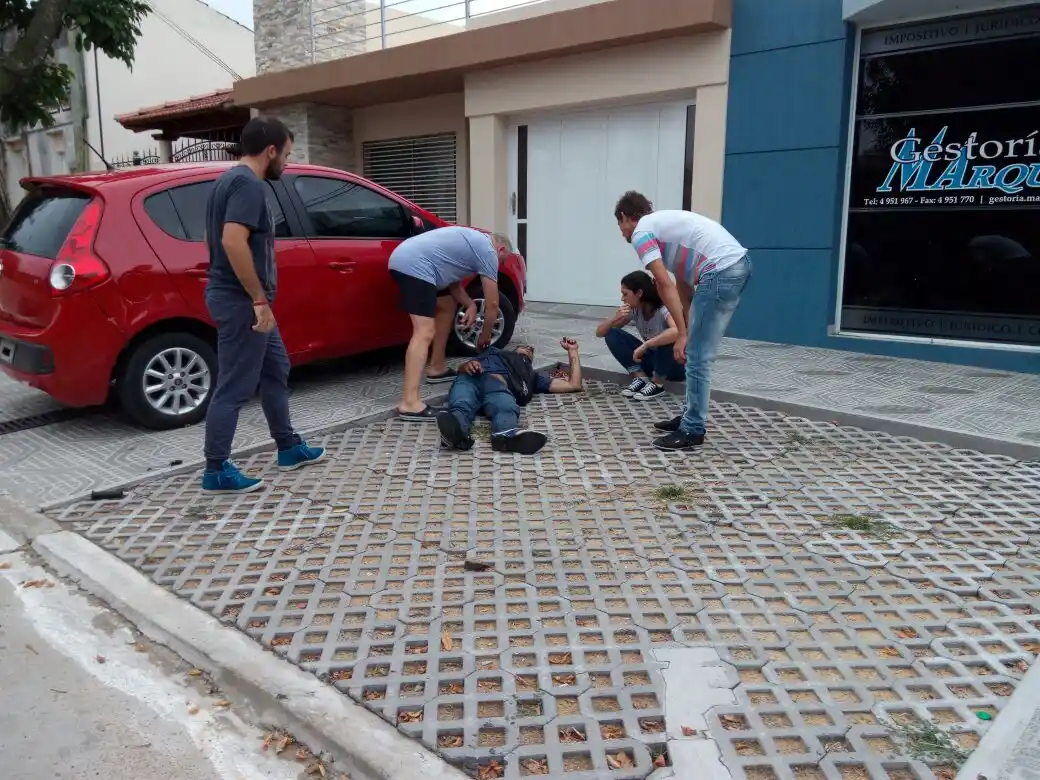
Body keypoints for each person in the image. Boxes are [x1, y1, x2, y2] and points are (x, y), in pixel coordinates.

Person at [201, 116, 325, 493]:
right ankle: (216, 469)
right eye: (286, 155)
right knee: (235, 386)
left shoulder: (226, 181)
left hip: (240, 299)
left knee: (276, 369)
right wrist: (257, 299)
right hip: (243, 303)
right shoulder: (248, 185)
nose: (287, 163)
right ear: (270, 150)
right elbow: (232, 241)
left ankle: (287, 446)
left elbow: (215, 238)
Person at [614, 191, 751, 451]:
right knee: (696, 351)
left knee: (698, 355)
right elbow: (683, 289)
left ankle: (692, 430)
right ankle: (690, 416)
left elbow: (663, 284)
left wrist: (682, 335)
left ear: (625, 217)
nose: (622, 233)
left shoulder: (643, 231)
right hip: (733, 265)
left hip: (721, 269)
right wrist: (684, 330)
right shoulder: (664, 230)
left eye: (620, 225)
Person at [388, 226, 504, 421]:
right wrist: (484, 338)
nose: (497, 266)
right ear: (500, 250)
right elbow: (492, 304)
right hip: (415, 266)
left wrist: (470, 305)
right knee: (424, 331)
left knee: (447, 304)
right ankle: (410, 403)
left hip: (414, 261)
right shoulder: (488, 250)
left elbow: (453, 284)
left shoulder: (471, 244)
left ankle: (437, 368)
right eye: (502, 262)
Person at [436, 339, 583, 455]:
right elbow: (460, 368)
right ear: (514, 349)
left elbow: (573, 385)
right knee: (461, 403)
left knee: (506, 407)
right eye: (524, 346)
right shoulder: (493, 352)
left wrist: (573, 351)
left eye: (531, 350)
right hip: (470, 378)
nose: (528, 349)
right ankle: (456, 435)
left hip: (497, 388)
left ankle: (506, 436)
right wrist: (466, 365)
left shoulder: (533, 377)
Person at [595, 270, 683, 400]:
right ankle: (640, 377)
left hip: (676, 366)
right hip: (654, 361)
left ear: (639, 293)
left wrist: (646, 345)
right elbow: (600, 333)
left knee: (667, 338)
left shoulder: (664, 308)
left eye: (625, 294)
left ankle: (657, 385)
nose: (622, 299)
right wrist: (614, 319)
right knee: (612, 333)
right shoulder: (635, 310)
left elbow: (677, 332)